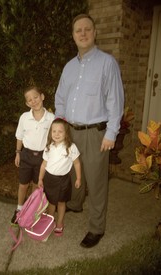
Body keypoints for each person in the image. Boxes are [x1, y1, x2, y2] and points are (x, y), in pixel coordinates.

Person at [55, 14, 124, 247]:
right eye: (78, 30)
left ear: (95, 33)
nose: (83, 33)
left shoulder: (107, 63)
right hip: (71, 132)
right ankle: (75, 204)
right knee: (74, 173)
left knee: (96, 182)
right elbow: (60, 99)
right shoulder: (69, 67)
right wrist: (60, 127)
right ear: (73, 36)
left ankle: (96, 227)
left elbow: (116, 100)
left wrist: (111, 133)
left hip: (96, 134)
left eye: (87, 29)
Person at [11, 86, 54, 225]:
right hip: (26, 155)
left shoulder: (51, 118)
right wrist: (18, 153)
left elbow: (53, 140)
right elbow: (19, 136)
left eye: (35, 97)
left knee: (37, 185)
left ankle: (31, 209)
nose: (33, 101)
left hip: (42, 158)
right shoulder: (24, 117)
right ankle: (19, 209)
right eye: (30, 100)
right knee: (23, 184)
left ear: (42, 96)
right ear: (27, 104)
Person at [38, 118, 81, 236]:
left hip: (63, 180)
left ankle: (60, 222)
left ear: (66, 133)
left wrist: (78, 178)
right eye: (54, 131)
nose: (56, 134)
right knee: (51, 203)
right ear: (50, 133)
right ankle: (50, 221)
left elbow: (76, 163)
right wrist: (40, 179)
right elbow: (43, 165)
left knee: (61, 203)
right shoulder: (48, 147)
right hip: (49, 179)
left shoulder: (70, 147)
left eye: (60, 131)